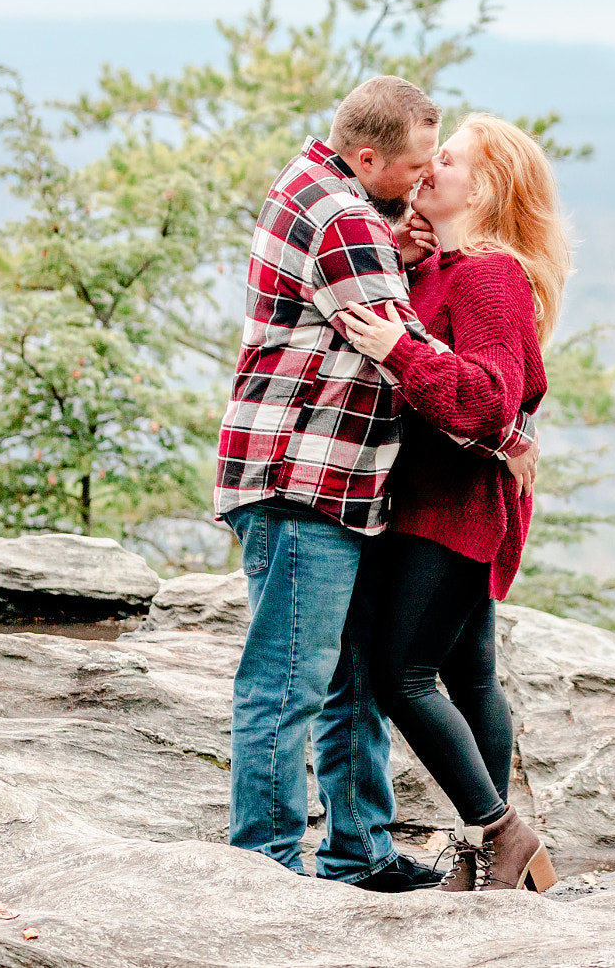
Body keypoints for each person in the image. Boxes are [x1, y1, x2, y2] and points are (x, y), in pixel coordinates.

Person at [214, 77, 537, 892]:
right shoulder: (345, 217)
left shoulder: (363, 213)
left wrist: (498, 411)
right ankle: (268, 868)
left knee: (361, 677)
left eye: (443, 162)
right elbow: (415, 350)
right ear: (370, 158)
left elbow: (462, 365)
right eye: (420, 161)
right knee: (298, 680)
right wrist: (510, 432)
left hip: (352, 491)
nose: (425, 175)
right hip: (306, 480)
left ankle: (361, 852)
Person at [331, 112, 567, 894]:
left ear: (487, 187)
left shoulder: (490, 274)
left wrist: (398, 349)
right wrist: (400, 264)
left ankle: (503, 832)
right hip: (434, 497)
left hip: (454, 505)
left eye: (451, 158)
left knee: (401, 674)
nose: (430, 165)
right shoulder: (437, 267)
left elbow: (494, 398)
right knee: (469, 678)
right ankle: (490, 853)